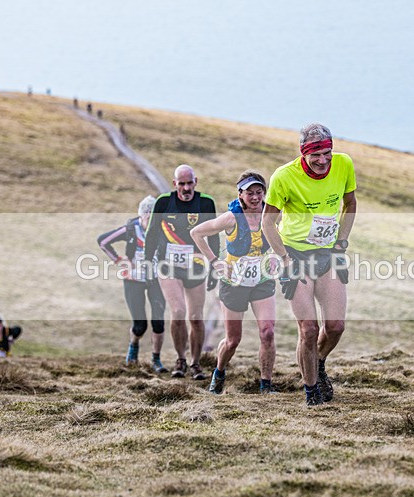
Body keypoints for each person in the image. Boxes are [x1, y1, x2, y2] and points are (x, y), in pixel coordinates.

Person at [262, 123, 357, 406]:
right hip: (295, 256)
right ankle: (311, 390)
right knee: (309, 329)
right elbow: (268, 221)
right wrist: (283, 257)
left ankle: (318, 362)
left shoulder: (343, 165)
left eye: (327, 153)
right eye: (315, 155)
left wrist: (341, 241)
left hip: (327, 255)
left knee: (336, 326)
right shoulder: (283, 176)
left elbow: (350, 203)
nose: (322, 160)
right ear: (303, 153)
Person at [191, 171, 277, 394]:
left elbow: (285, 235)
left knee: (267, 332)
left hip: (262, 280)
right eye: (250, 193)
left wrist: (279, 257)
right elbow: (197, 233)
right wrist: (214, 261)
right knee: (233, 340)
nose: (255, 197)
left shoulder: (272, 214)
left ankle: (265, 385)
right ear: (240, 194)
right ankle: (219, 373)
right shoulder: (231, 218)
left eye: (259, 192)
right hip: (233, 283)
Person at [144, 164, 219, 380]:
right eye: (181, 183)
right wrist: (149, 264)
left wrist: (214, 267)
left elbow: (213, 236)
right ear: (174, 183)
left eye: (189, 183)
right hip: (168, 265)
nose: (186, 188)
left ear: (196, 182)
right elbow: (151, 234)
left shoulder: (205, 202)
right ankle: (180, 359)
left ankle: (196, 363)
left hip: (195, 265)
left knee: (195, 317)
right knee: (177, 312)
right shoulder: (164, 202)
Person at [97, 195, 167, 371]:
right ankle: (133, 349)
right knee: (140, 324)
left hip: (156, 279)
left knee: (158, 322)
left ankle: (156, 360)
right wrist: (118, 260)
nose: (150, 220)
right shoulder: (130, 228)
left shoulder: (164, 229)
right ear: (141, 215)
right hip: (133, 280)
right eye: (147, 216)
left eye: (154, 217)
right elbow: (103, 241)